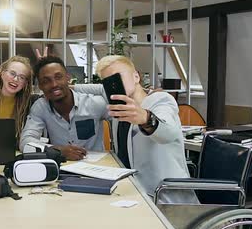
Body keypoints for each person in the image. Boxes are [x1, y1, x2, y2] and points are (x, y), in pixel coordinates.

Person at [75, 55, 196, 203]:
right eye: (108, 82)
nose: (114, 84)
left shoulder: (160, 100)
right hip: (133, 192)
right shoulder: (120, 110)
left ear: (136, 76)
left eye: (118, 77)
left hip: (164, 197)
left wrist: (146, 118)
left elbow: (169, 133)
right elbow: (98, 89)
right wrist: (68, 86)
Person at [19, 56, 108, 161]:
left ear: (68, 77)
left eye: (58, 77)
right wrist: (57, 151)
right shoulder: (41, 107)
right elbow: (26, 142)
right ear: (41, 86)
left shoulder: (94, 103)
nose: (54, 84)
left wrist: (76, 87)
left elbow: (121, 112)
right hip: (63, 169)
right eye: (46, 81)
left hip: (98, 168)